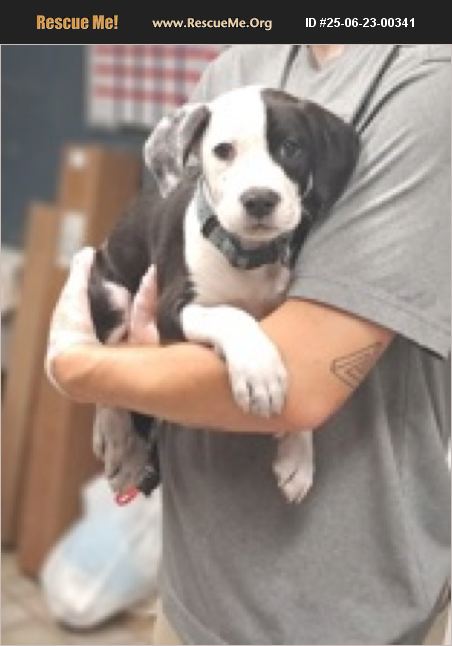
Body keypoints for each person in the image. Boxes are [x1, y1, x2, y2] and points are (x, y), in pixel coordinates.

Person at [46, 45, 450, 645]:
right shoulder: (232, 68)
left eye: (287, 151)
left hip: (354, 616)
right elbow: (172, 315)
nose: (258, 187)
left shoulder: (426, 82)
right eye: (226, 154)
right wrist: (117, 396)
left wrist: (84, 370)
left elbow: (299, 385)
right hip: (192, 591)